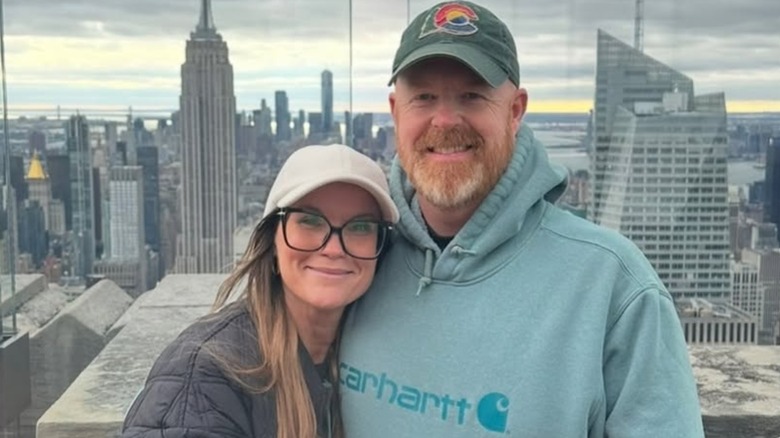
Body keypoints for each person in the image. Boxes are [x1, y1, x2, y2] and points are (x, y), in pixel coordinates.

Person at [339, 1, 704, 437]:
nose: (445, 119)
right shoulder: (354, 256)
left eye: (472, 95)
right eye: (424, 97)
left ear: (515, 111)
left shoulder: (614, 286)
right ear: (396, 112)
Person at [121, 144, 399, 438]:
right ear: (273, 243)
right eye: (309, 221)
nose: (332, 248)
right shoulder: (206, 375)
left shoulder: (369, 358)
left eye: (360, 227)